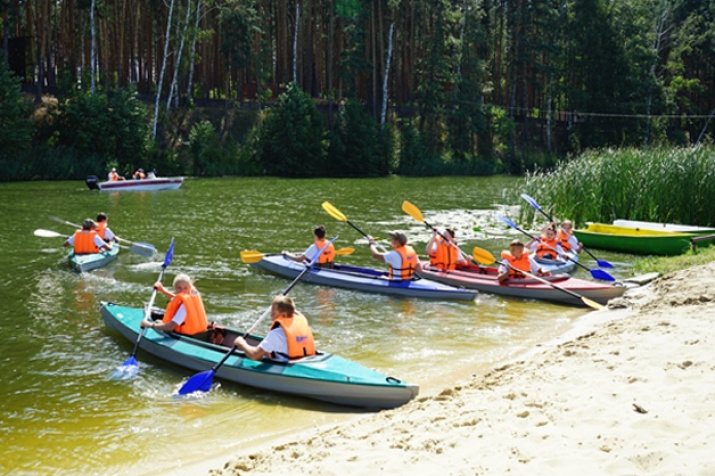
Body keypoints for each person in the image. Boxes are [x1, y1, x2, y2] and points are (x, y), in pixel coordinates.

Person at [232, 295, 315, 361]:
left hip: (286, 365)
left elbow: (254, 356)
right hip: (303, 359)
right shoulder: (302, 319)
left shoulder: (277, 334)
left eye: (273, 313)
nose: (271, 316)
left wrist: (241, 343)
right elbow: (292, 309)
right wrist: (281, 300)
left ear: (284, 315)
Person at [140, 273, 208, 336]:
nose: (182, 291)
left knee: (157, 322)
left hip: (188, 336)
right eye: (179, 288)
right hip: (199, 332)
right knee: (159, 321)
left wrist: (150, 325)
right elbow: (178, 299)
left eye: (185, 288)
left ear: (190, 287)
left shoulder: (184, 308)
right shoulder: (192, 294)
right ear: (174, 288)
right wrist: (163, 290)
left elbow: (170, 327)